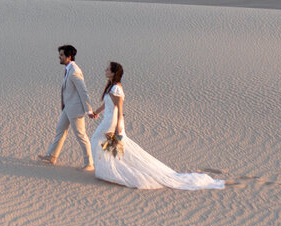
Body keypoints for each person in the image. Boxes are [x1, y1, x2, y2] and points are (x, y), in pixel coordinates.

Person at [89, 61, 224, 190]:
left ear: (113, 73)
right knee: (106, 144)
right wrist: (96, 112)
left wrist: (119, 125)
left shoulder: (117, 88)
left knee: (97, 140)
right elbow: (107, 103)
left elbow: (120, 108)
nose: (105, 70)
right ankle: (109, 169)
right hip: (108, 118)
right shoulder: (112, 86)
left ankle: (112, 171)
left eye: (108, 69)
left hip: (112, 121)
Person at [37, 44, 95, 171]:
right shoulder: (69, 69)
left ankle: (89, 163)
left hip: (74, 110)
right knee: (60, 131)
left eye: (62, 55)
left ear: (69, 57)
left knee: (81, 136)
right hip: (67, 108)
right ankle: (52, 156)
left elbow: (83, 92)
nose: (59, 57)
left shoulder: (74, 72)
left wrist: (89, 110)